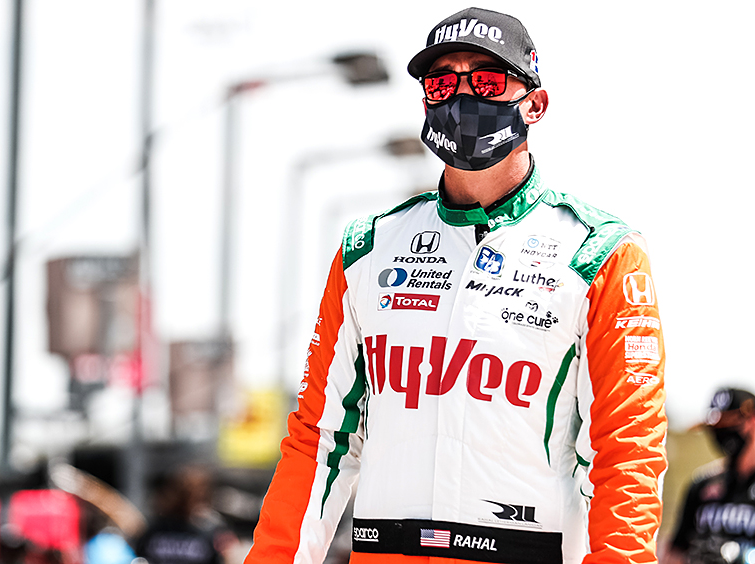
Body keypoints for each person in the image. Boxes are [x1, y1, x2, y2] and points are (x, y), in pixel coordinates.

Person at [244, 6, 667, 564]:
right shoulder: (368, 247)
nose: (462, 99)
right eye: (443, 83)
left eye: (488, 80)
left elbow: (627, 453)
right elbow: (320, 440)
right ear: (425, 101)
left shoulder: (602, 253)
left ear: (535, 104)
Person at [664, 388, 755, 564]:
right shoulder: (702, 485)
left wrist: (744, 556)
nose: (721, 433)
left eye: (729, 424)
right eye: (716, 427)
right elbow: (675, 552)